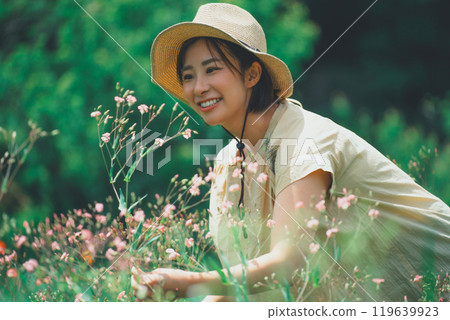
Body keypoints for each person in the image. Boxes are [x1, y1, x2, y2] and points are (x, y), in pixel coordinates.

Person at [131, 3, 450, 302]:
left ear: (252, 75)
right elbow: (246, 283)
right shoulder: (228, 163)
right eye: (188, 76)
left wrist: (191, 284)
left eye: (212, 70)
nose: (198, 87)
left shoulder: (306, 140)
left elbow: (287, 261)